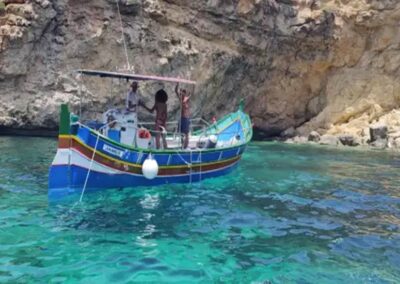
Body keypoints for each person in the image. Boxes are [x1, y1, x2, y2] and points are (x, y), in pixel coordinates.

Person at [175, 84, 191, 149]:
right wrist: (177, 83)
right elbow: (176, 91)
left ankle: (185, 147)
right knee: (181, 133)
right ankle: (182, 145)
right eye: (180, 92)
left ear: (185, 93)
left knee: (186, 134)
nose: (181, 93)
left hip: (186, 118)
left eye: (182, 92)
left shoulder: (186, 99)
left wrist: (193, 86)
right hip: (181, 118)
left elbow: (191, 93)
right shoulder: (180, 99)